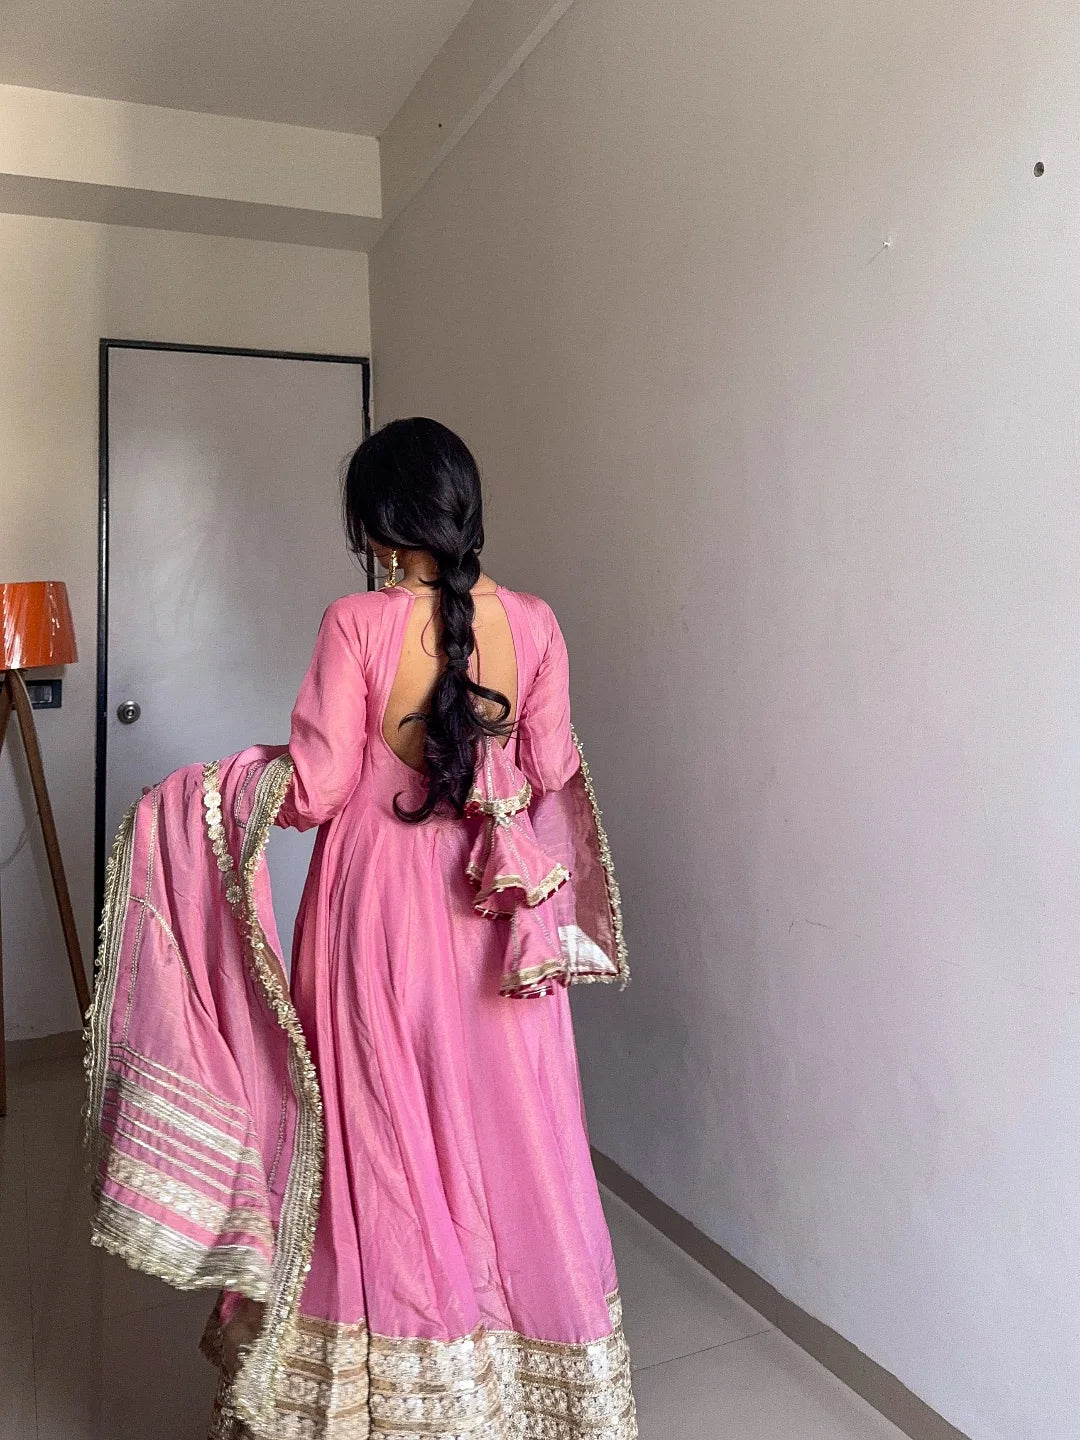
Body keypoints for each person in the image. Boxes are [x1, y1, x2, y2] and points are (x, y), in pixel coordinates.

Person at [199, 417, 636, 1437]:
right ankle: (519, 1391)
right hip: (496, 914)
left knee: (379, 1137)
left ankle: (382, 1395)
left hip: (376, 913)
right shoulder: (534, 622)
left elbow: (314, 790)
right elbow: (549, 769)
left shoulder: (355, 624)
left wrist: (214, 789)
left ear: (382, 520)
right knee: (511, 1133)